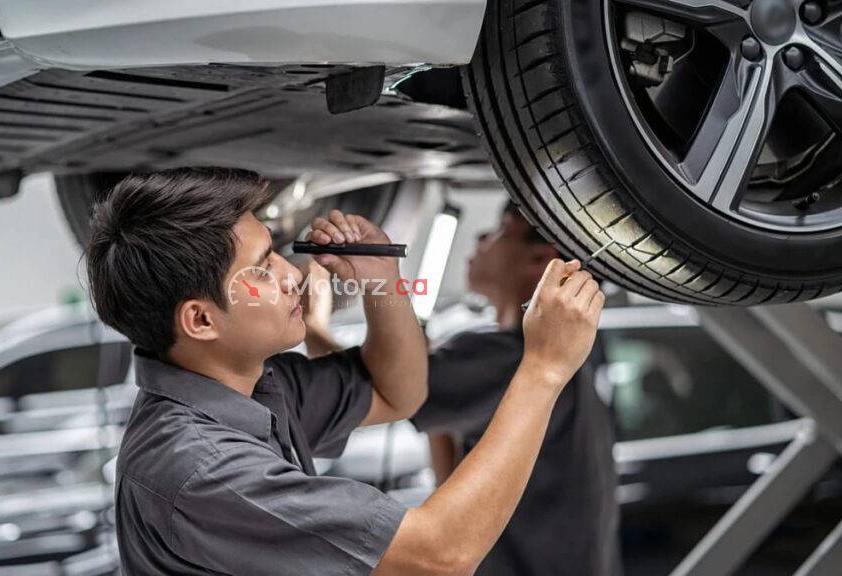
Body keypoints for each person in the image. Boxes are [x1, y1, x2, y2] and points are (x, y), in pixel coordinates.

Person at [85, 167, 604, 576]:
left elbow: (397, 393)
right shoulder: (202, 469)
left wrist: (381, 279)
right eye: (263, 268)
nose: (293, 274)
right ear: (200, 320)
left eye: (276, 254)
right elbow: (440, 557)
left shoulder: (259, 387)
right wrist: (544, 368)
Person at [305, 202, 621, 576]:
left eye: (500, 229)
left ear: (541, 258)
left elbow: (376, 388)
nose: (481, 238)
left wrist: (314, 324)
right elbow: (438, 440)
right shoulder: (550, 357)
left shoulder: (507, 358)